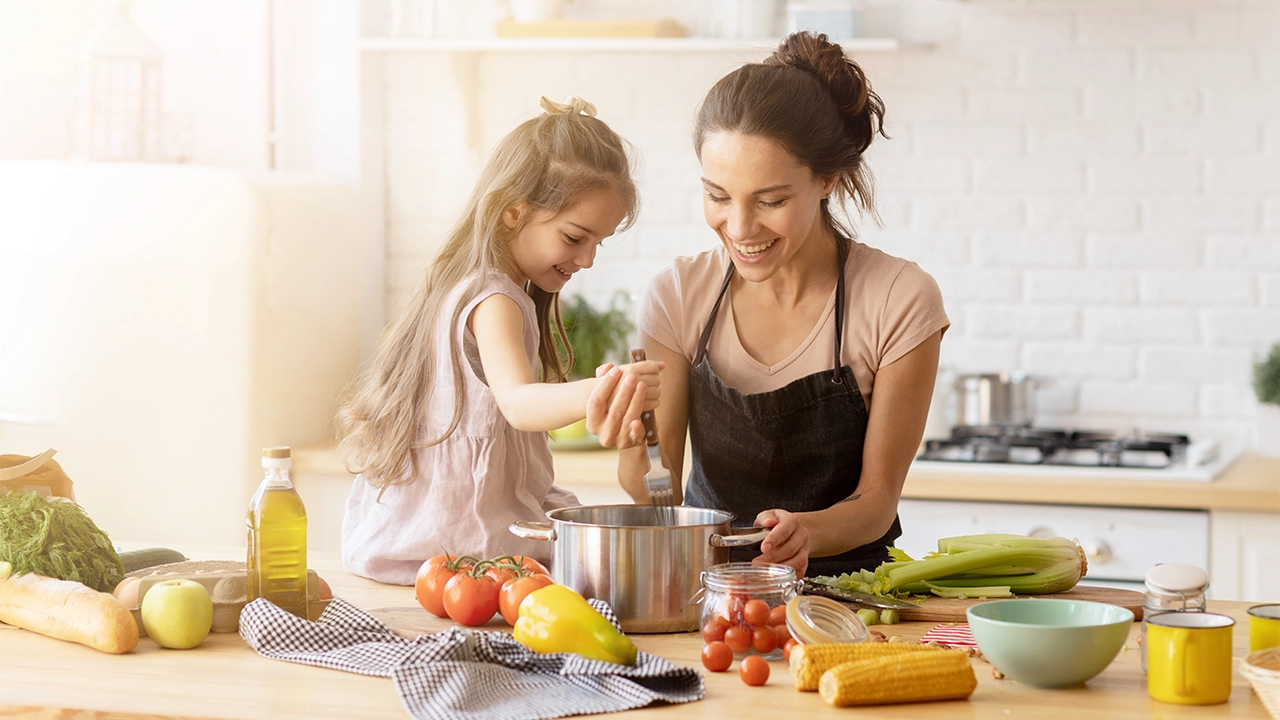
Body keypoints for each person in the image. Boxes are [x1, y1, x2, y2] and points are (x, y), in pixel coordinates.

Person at [620, 33, 950, 578]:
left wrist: (808, 531)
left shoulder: (898, 298)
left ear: (827, 180)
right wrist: (636, 446)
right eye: (718, 196)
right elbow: (660, 496)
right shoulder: (678, 297)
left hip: (852, 595)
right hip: (711, 594)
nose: (741, 228)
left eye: (771, 201)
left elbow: (876, 502)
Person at [338, 96, 662, 586]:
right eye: (575, 237)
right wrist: (603, 387)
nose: (589, 259)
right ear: (514, 212)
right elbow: (517, 403)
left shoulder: (466, 284)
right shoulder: (496, 298)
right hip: (463, 548)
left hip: (422, 544)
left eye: (599, 242)